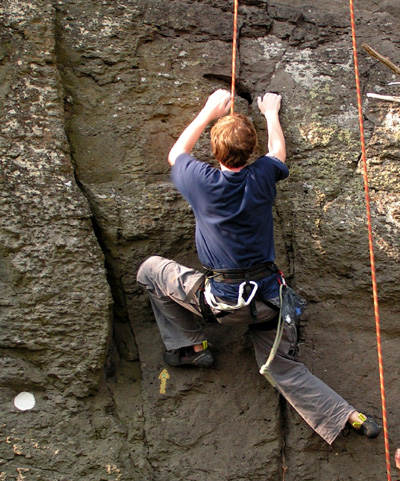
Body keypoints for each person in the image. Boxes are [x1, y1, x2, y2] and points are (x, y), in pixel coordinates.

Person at [137, 88, 381, 445]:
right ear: (252, 153)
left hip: (221, 302)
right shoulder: (263, 176)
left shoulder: (201, 182)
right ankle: (348, 416)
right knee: (284, 368)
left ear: (215, 153)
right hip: (271, 303)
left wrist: (208, 111)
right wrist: (270, 113)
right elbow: (277, 153)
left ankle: (190, 348)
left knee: (151, 270)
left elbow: (177, 154)